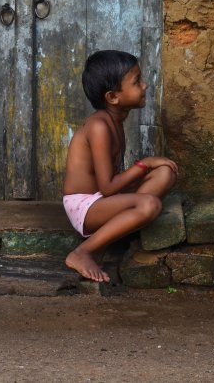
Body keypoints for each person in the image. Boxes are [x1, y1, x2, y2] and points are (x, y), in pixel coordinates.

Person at [63, 50, 178, 282]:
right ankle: (83, 252)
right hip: (85, 207)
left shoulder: (115, 121)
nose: (145, 85)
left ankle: (108, 238)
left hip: (103, 198)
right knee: (149, 205)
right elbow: (107, 187)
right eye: (137, 81)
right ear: (113, 97)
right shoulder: (99, 126)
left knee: (165, 174)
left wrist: (148, 169)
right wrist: (144, 164)